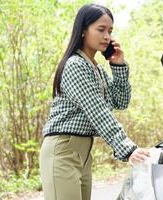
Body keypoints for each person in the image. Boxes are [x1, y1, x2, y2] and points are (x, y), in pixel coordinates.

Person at [39, 4, 150, 200]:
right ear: (83, 30)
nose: (107, 36)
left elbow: (121, 101)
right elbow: (99, 112)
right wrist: (127, 149)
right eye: (101, 29)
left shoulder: (96, 70)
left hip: (83, 154)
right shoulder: (75, 66)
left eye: (110, 31)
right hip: (62, 152)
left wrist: (118, 66)